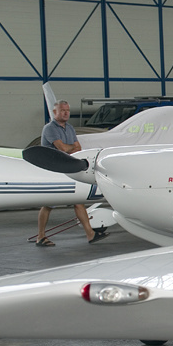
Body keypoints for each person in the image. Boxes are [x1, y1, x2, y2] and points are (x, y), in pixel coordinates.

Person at [36, 100, 105, 246]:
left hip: (67, 169)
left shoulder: (70, 128)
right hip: (53, 170)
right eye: (62, 110)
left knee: (78, 201)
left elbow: (78, 148)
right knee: (48, 204)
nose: (66, 113)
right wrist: (70, 147)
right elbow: (63, 148)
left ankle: (90, 234)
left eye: (67, 110)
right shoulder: (50, 129)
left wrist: (70, 147)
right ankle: (40, 237)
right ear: (55, 113)